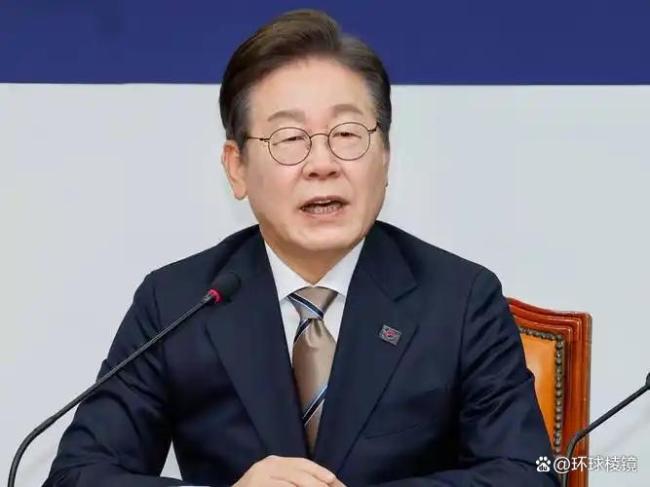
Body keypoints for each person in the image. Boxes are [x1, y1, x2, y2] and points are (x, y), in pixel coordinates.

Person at [45, 9, 558, 487]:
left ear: (385, 155)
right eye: (289, 139)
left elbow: (527, 473)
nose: (322, 164)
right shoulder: (177, 302)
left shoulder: (460, 299)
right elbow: (78, 474)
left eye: (347, 134)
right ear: (237, 168)